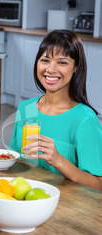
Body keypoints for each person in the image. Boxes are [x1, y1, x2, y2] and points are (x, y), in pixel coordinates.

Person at [9, 29, 102, 192]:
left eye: (62, 62)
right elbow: (15, 161)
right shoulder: (26, 109)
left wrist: (58, 160)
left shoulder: (85, 120)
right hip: (23, 201)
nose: (51, 69)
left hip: (66, 208)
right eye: (45, 60)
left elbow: (98, 186)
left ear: (76, 68)